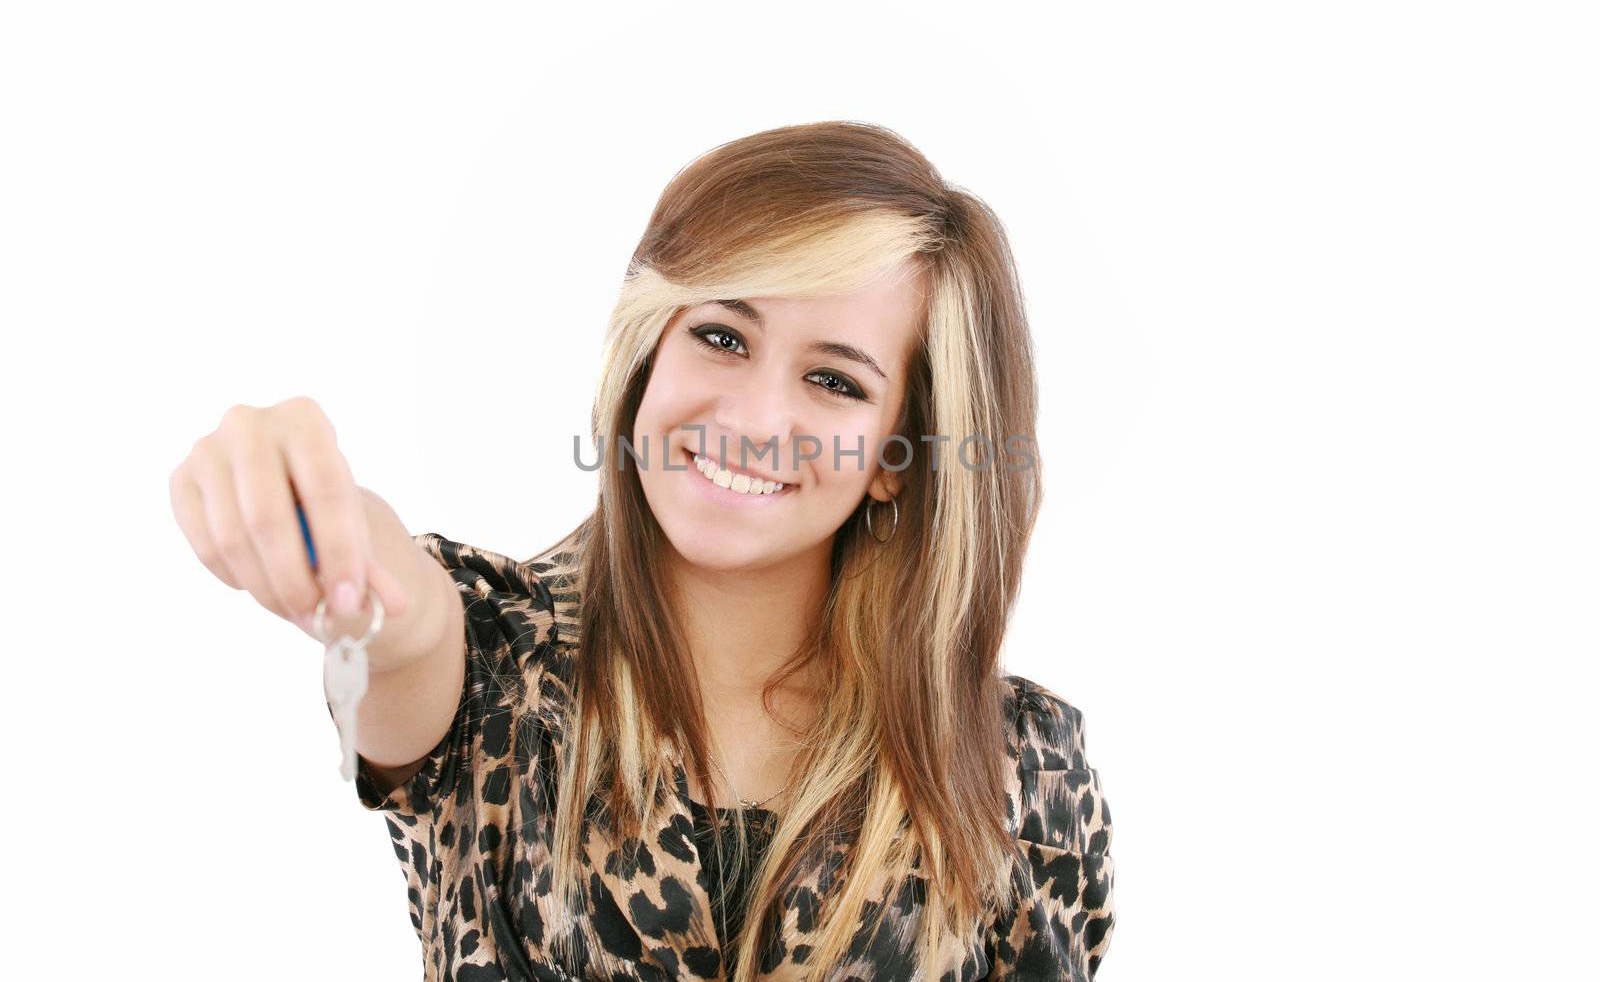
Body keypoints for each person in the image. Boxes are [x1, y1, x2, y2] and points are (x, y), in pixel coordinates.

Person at [170, 120, 1115, 981]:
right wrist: (327, 530)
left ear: (895, 460)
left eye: (833, 380)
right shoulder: (500, 669)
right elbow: (405, 620)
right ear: (648, 350)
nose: (753, 418)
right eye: (721, 335)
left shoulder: (1015, 774)